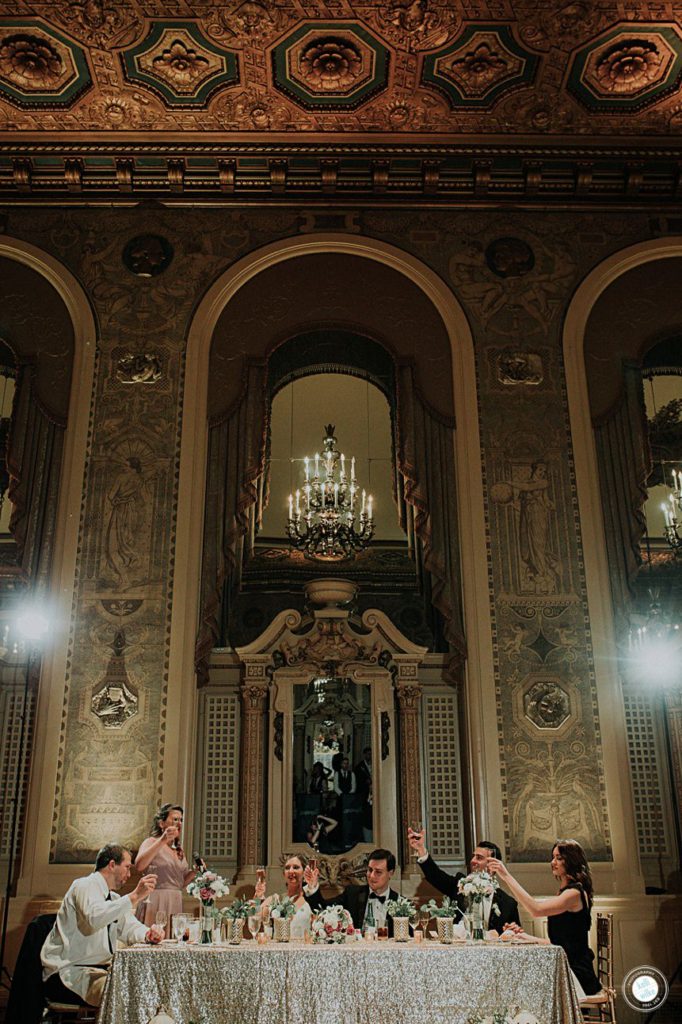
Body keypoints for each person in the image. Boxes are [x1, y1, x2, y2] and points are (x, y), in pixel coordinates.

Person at [41, 842, 161, 1007]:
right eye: (127, 867)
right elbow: (94, 918)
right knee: (123, 994)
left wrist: (148, 934)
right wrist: (134, 897)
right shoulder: (84, 885)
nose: (129, 874)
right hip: (70, 972)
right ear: (112, 865)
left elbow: (130, 928)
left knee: (144, 987)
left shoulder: (113, 899)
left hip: (98, 971)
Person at [488, 839, 602, 998]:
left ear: (572, 860)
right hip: (565, 964)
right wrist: (524, 937)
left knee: (524, 987)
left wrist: (506, 876)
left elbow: (536, 910)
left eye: (559, 858)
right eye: (553, 857)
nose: (553, 862)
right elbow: (561, 943)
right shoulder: (565, 892)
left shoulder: (574, 893)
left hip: (576, 972)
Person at [408, 827, 520, 934]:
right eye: (473, 856)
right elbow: (435, 876)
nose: (472, 860)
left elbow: (515, 935)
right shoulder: (459, 886)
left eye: (479, 858)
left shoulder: (508, 904)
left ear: (493, 865)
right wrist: (420, 849)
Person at [134, 803, 199, 935]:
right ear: (161, 823)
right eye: (175, 819)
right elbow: (139, 865)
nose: (179, 823)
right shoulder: (151, 842)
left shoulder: (179, 850)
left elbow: (179, 883)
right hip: (156, 900)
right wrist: (162, 840)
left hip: (175, 899)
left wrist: (194, 872)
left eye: (181, 820)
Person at [305, 847, 399, 934]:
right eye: (370, 870)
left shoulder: (400, 903)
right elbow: (322, 910)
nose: (372, 876)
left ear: (390, 873)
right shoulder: (352, 894)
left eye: (378, 872)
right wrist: (312, 887)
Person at [254, 854, 315, 939]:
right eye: (287, 868)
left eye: (296, 867)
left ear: (305, 872)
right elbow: (254, 917)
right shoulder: (275, 899)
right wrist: (258, 896)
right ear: (284, 874)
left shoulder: (312, 900)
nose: (291, 871)